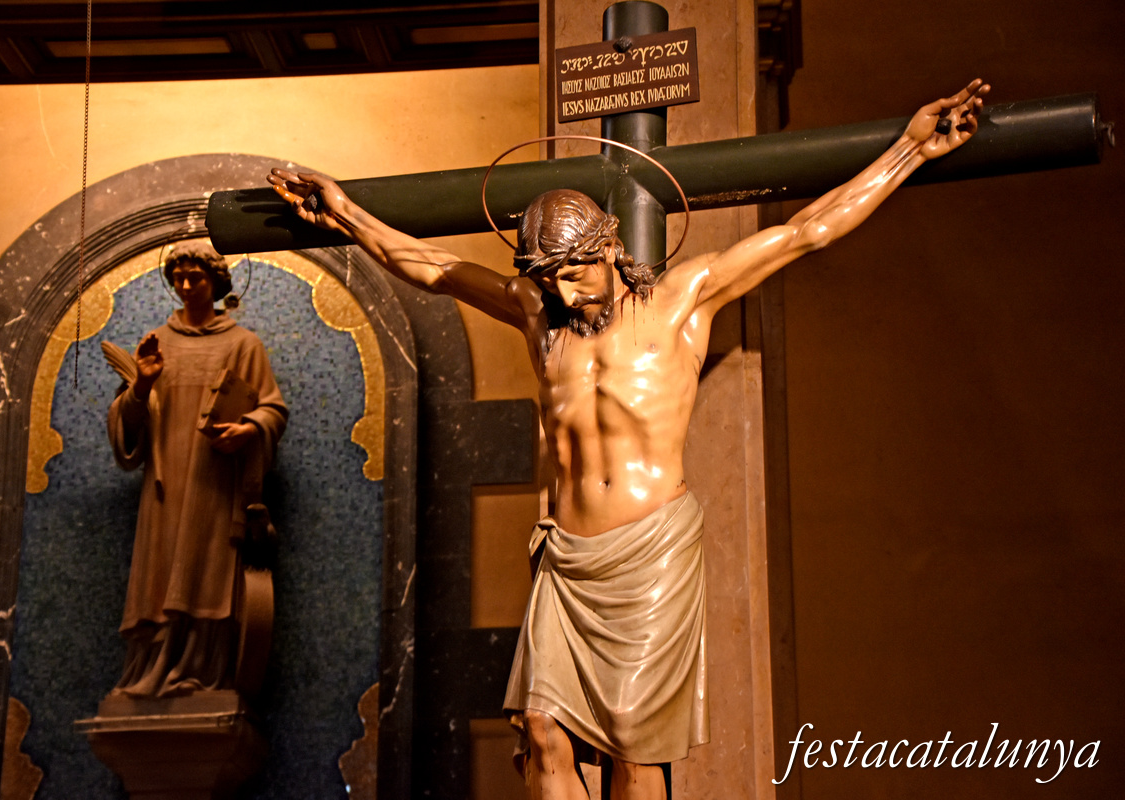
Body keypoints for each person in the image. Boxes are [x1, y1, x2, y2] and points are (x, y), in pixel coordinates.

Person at [268, 79, 988, 799]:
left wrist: (911, 148)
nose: (563, 294)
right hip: (564, 558)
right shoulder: (536, 313)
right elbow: (427, 265)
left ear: (609, 248)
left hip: (650, 555)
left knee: (632, 754)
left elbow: (807, 231)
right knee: (543, 731)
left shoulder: (685, 300)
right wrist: (345, 211)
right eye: (548, 281)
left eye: (574, 273)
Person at [107, 241, 288, 698]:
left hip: (214, 484)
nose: (186, 287)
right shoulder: (156, 344)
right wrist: (143, 382)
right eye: (179, 279)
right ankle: (151, 668)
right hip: (165, 488)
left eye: (196, 278)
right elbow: (128, 422)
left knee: (206, 576)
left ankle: (202, 673)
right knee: (159, 575)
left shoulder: (243, 345)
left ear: (216, 283)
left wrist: (249, 428)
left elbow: (272, 409)